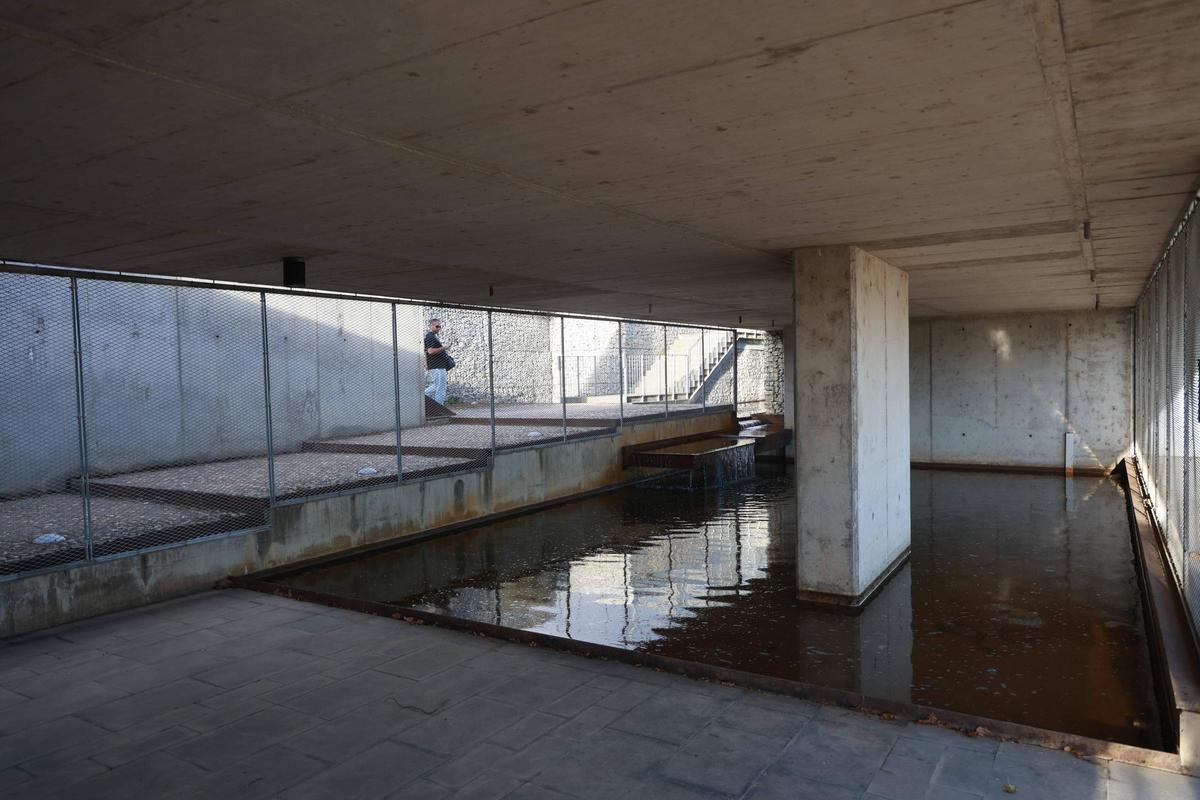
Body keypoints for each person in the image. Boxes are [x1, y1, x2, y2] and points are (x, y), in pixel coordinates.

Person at [423, 318, 452, 405]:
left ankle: (421, 396)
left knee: (437, 386)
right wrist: (444, 347)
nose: (439, 328)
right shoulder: (430, 337)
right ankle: (439, 409)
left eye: (440, 326)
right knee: (441, 388)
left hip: (437, 366)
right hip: (437, 367)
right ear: (431, 326)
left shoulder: (431, 337)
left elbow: (425, 352)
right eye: (437, 326)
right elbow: (430, 351)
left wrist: (426, 363)